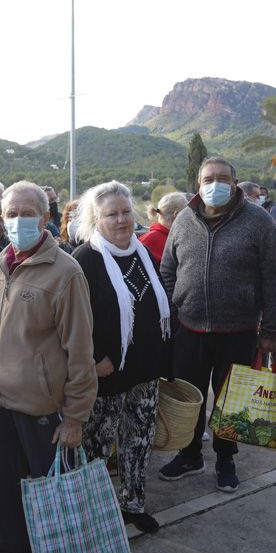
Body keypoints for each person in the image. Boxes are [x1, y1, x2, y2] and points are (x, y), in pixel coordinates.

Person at [0, 181, 97, 553]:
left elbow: (80, 350)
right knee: (7, 477)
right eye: (11, 213)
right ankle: (14, 540)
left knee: (55, 486)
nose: (17, 220)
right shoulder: (1, 262)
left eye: (27, 212)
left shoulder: (66, 272)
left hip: (43, 401)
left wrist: (76, 417)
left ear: (45, 218)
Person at [158, 157, 276, 492]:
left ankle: (226, 459)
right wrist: (175, 307)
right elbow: (168, 269)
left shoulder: (258, 221)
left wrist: (270, 330)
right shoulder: (184, 219)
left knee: (232, 402)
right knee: (191, 398)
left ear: (234, 181)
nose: (215, 184)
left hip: (239, 331)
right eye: (208, 178)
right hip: (189, 329)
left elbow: (274, 279)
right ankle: (189, 455)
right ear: (198, 183)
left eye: (223, 178)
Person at [73, 181, 170, 534]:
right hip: (106, 373)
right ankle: (96, 513)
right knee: (98, 446)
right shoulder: (85, 259)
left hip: (144, 369)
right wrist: (96, 357)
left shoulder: (144, 254)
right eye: (111, 214)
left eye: (126, 211)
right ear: (96, 219)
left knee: (139, 441)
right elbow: (73, 319)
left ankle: (133, 504)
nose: (121, 219)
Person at [140, 192, 187, 264]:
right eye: (187, 215)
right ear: (177, 216)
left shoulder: (171, 237)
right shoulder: (150, 240)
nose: (189, 219)